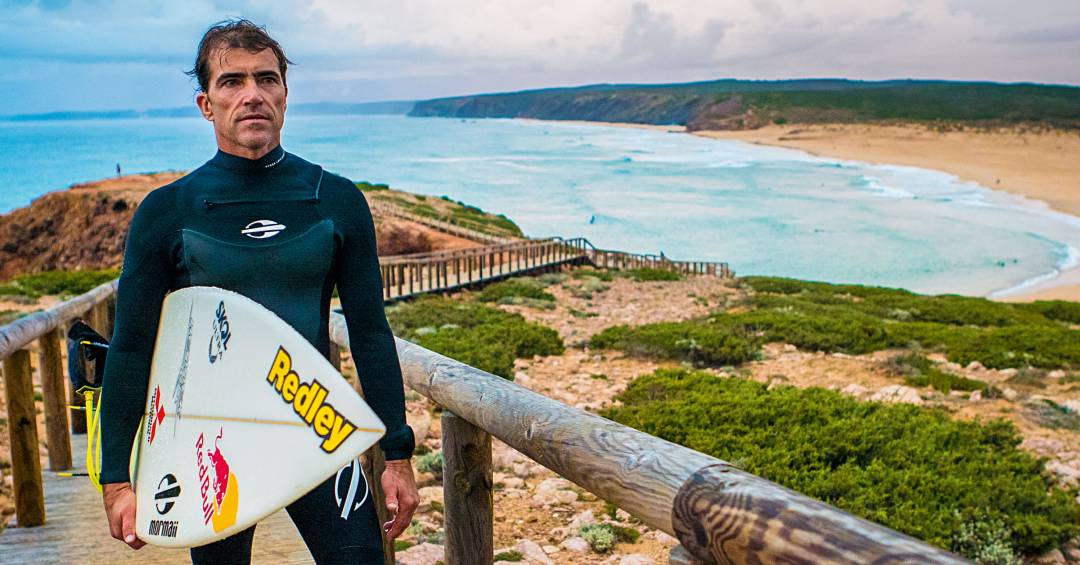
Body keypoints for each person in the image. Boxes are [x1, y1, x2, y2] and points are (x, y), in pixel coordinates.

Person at [98, 19, 417, 564]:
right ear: (206, 104)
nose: (253, 95)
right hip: (210, 439)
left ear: (285, 95)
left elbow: (369, 332)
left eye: (267, 80)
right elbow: (130, 347)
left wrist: (397, 456)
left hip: (318, 429)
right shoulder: (167, 211)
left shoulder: (335, 200)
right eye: (232, 82)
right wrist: (115, 479)